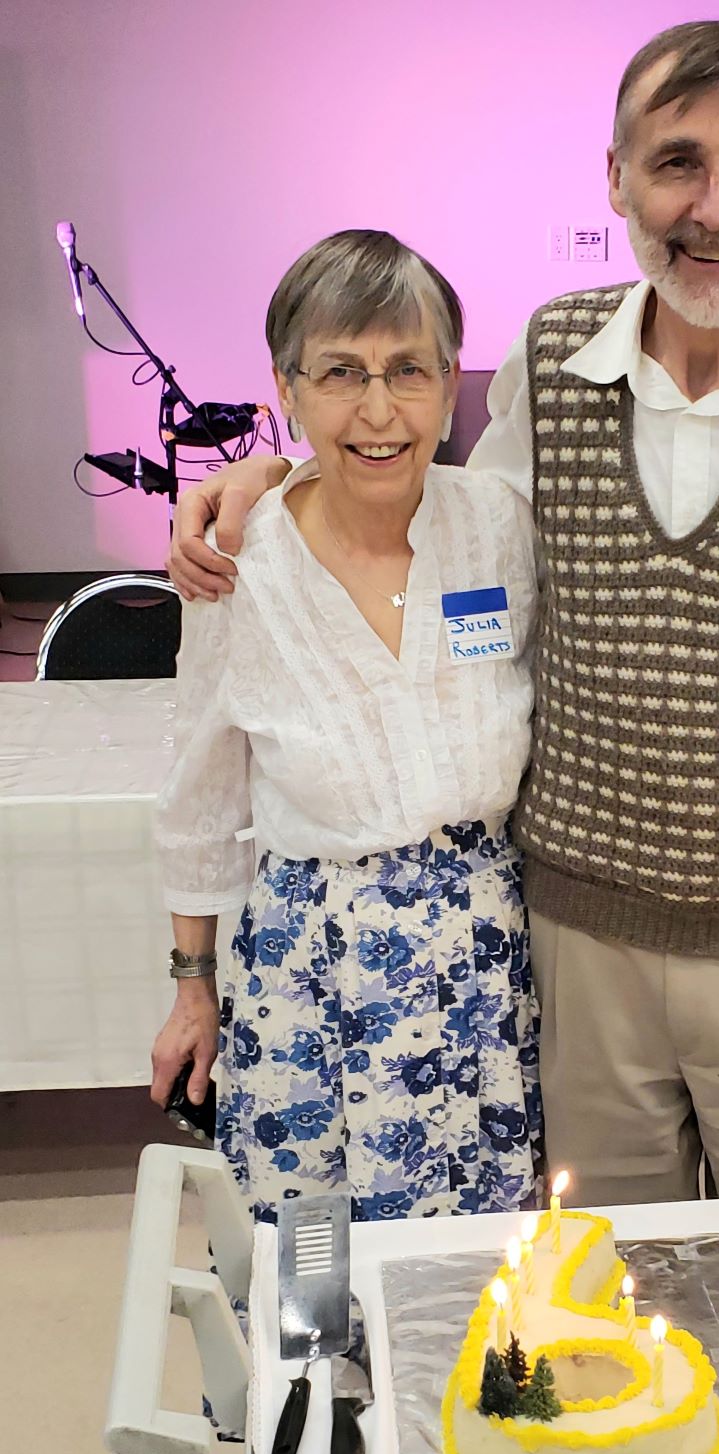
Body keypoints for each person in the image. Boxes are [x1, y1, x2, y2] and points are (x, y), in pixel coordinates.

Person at [168, 21, 719, 1202]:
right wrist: (268, 478)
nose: (715, 206)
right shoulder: (548, 360)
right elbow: (456, 538)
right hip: (565, 954)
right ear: (617, 177)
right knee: (600, 1321)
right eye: (677, 161)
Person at [151, 229, 545, 1222]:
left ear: (452, 379)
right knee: (311, 1289)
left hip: (488, 974)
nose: (378, 410)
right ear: (287, 389)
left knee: (482, 1290)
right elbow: (201, 796)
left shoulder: (498, 525)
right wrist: (194, 988)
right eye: (340, 374)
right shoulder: (237, 564)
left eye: (408, 370)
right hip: (311, 977)